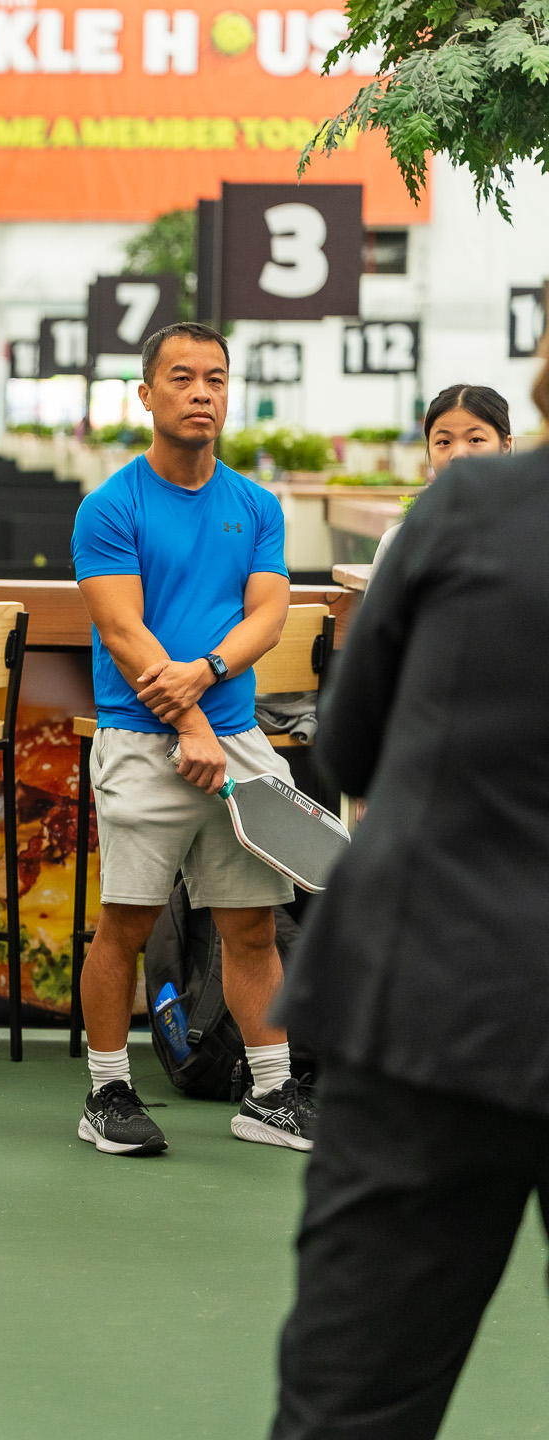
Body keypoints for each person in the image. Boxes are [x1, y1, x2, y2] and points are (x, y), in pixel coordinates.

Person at [266, 372, 549, 1440]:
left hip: (434, 1000)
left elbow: (345, 747)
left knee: (355, 1400)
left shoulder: (468, 512)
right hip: (443, 1000)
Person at [69, 320, 312, 1159]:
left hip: (237, 742)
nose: (201, 392)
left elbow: (268, 615)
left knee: (252, 929)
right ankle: (107, 1093)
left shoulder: (257, 505)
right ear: (146, 395)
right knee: (125, 925)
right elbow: (124, 633)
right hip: (143, 741)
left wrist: (207, 676)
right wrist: (191, 723)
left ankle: (271, 1097)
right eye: (182, 378)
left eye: (215, 378)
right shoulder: (111, 506)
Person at [369, 383, 512, 570]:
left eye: (475, 440)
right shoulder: (401, 543)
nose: (458, 454)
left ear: (506, 445)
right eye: (444, 442)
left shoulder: (535, 534)